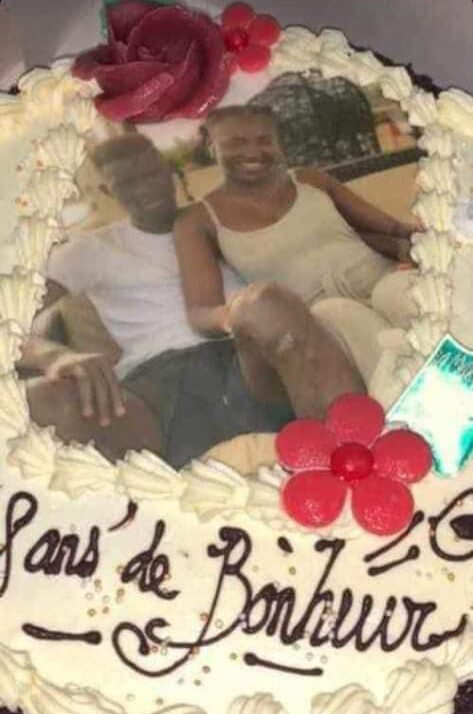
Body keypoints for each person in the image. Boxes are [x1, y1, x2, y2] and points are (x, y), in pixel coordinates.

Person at [25, 133, 321, 467]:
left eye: (151, 173)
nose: (145, 190)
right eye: (127, 183)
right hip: (158, 382)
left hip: (248, 358)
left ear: (168, 169)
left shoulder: (220, 219)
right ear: (108, 192)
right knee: (38, 398)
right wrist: (55, 356)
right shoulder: (91, 249)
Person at [174, 104, 418, 416]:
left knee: (400, 292)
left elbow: (392, 229)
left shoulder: (310, 181)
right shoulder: (198, 219)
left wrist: (414, 246)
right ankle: (411, 413)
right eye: (236, 142)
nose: (253, 151)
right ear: (212, 146)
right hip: (315, 316)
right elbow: (199, 312)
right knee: (344, 316)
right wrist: (243, 313)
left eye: (264, 140)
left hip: (381, 277)